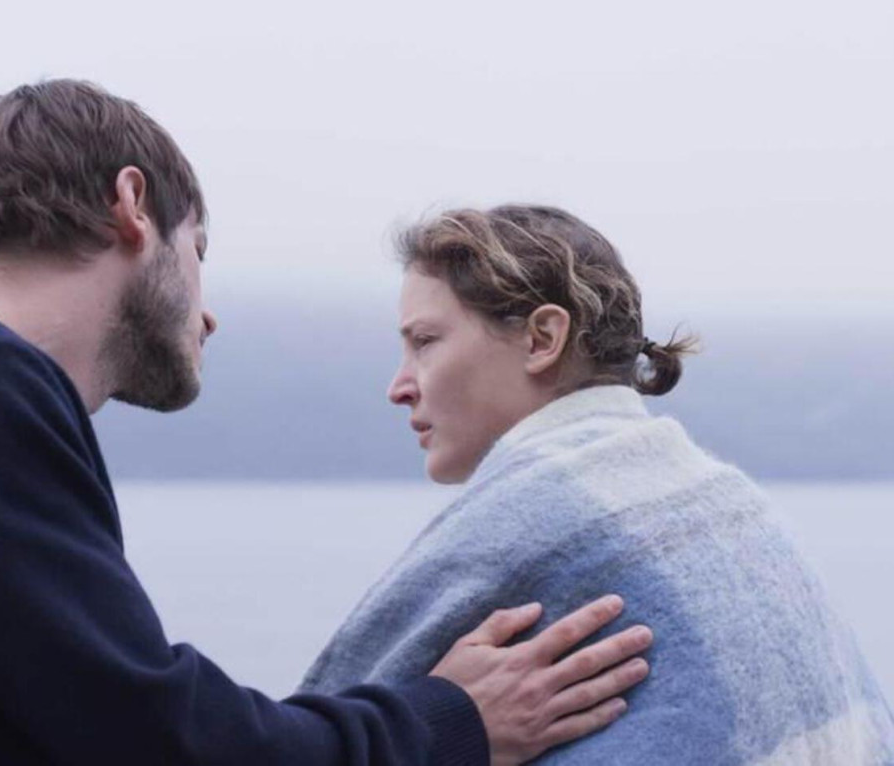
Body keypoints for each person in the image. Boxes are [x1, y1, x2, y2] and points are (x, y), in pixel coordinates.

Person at [0, 82, 655, 766]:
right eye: (198, 250)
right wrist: (449, 722)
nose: (206, 314)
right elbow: (153, 733)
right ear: (132, 206)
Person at [299, 204, 894, 763]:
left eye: (425, 342)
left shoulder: (530, 517)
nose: (399, 387)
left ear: (541, 339)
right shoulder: (728, 502)